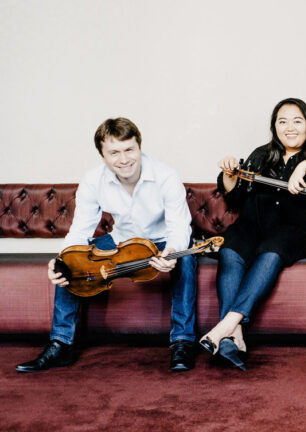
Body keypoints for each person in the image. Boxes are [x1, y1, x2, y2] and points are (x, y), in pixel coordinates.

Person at [16, 118, 198, 373]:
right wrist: (61, 260)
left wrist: (171, 252)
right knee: (70, 262)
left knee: (186, 256)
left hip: (164, 238)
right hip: (122, 239)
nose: (124, 159)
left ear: (139, 147)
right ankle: (61, 344)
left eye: (129, 150)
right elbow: (80, 229)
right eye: (114, 152)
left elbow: (179, 225)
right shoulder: (93, 180)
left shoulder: (165, 174)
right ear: (102, 155)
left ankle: (182, 342)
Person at [199, 98, 306, 370]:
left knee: (272, 249)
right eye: (282, 121)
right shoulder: (261, 154)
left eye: (297, 120)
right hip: (253, 224)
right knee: (231, 248)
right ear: (274, 127)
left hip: (292, 229)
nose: (289, 127)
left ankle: (225, 325)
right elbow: (234, 196)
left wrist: (302, 168)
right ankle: (233, 336)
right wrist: (228, 172)